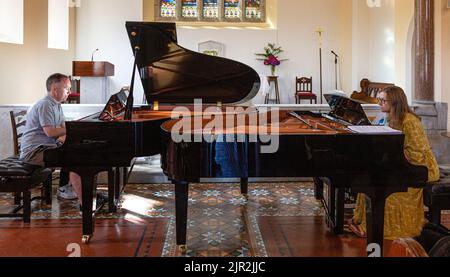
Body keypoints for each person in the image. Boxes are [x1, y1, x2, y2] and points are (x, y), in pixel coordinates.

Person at [348, 86, 440, 240]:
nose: (379, 103)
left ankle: (382, 229)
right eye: (380, 100)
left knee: (388, 191)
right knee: (370, 181)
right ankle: (365, 221)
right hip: (401, 166)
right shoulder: (390, 117)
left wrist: (399, 152)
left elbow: (418, 153)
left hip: (420, 169)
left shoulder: (409, 121)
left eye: (383, 100)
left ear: (395, 102)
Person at [20, 73, 83, 204]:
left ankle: (66, 188)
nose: (70, 92)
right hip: (33, 152)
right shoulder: (45, 105)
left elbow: (62, 129)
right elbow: (50, 132)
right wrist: (72, 129)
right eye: (67, 88)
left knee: (77, 152)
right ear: (55, 89)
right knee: (76, 161)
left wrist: (78, 135)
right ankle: (85, 203)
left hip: (46, 148)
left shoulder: (57, 105)